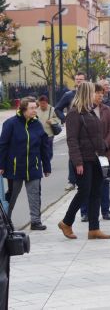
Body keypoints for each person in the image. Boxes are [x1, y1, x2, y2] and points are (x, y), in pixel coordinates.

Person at [58, 83, 110, 240]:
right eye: (94, 92)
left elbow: (96, 135)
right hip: (83, 159)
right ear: (87, 94)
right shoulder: (74, 113)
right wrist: (78, 162)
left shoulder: (90, 111)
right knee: (84, 191)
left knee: (96, 192)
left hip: (96, 158)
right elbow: (72, 140)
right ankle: (66, 222)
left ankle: (94, 228)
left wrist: (105, 146)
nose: (97, 95)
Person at [0, 97, 52, 231]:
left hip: (34, 167)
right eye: (32, 108)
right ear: (23, 109)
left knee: (35, 195)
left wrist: (47, 167)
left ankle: (36, 222)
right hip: (15, 168)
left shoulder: (37, 124)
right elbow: (3, 145)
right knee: (12, 196)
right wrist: (1, 165)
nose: (35, 110)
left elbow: (44, 147)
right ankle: (5, 221)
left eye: (36, 108)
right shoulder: (10, 124)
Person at [80, 84, 110, 222]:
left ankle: (105, 210)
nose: (100, 95)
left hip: (104, 153)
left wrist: (105, 145)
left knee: (104, 181)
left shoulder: (107, 109)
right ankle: (85, 212)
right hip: (89, 153)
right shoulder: (84, 111)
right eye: (97, 92)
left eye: (102, 93)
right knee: (87, 183)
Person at [54, 72, 86, 191]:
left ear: (86, 80)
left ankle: (85, 177)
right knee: (73, 152)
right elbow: (57, 109)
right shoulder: (69, 95)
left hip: (87, 126)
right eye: (77, 79)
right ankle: (72, 180)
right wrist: (65, 119)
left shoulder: (89, 94)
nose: (79, 81)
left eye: (81, 79)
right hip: (73, 128)